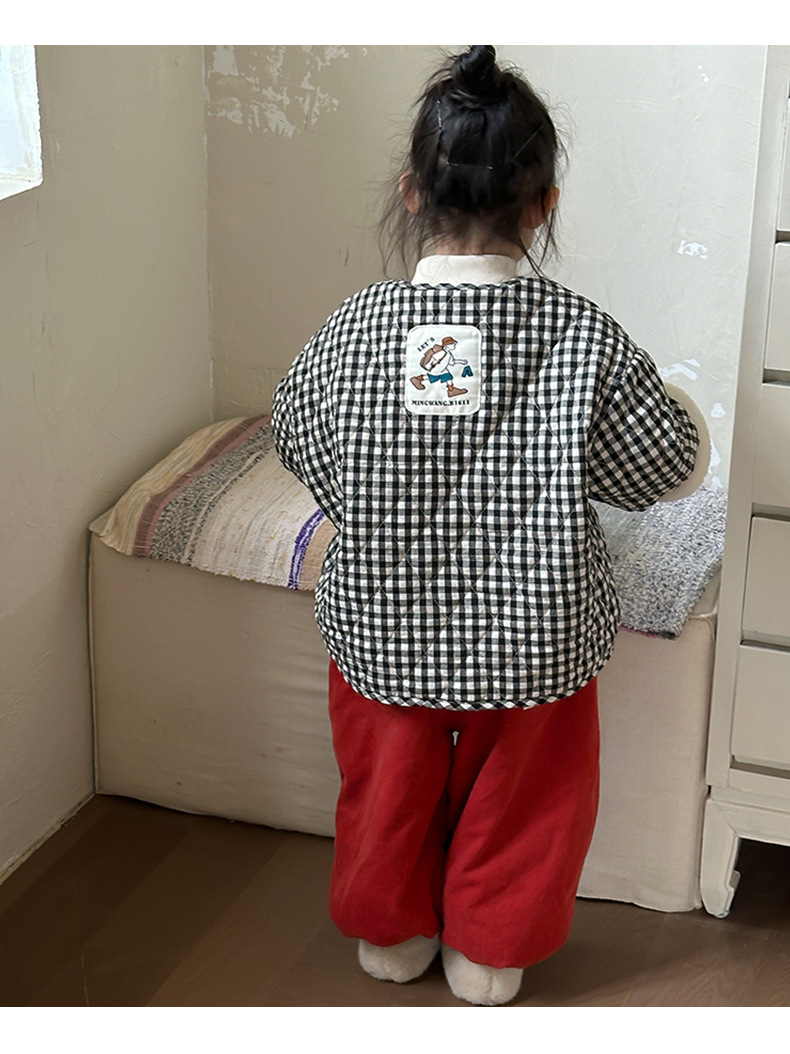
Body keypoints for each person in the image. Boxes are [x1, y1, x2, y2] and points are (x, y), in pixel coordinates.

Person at [271, 45, 709, 1006]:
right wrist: (680, 420)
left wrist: (378, 503)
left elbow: (300, 438)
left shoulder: (352, 329)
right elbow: (661, 468)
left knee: (385, 786)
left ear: (411, 193)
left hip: (384, 624)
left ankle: (394, 935)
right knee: (530, 797)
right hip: (534, 633)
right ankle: (490, 951)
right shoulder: (582, 336)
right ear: (543, 205)